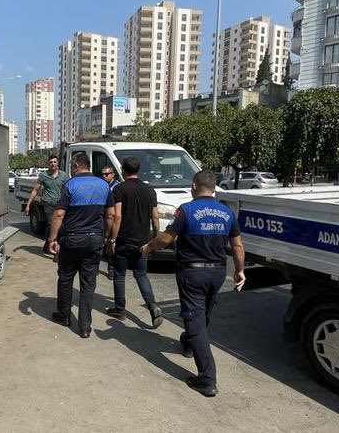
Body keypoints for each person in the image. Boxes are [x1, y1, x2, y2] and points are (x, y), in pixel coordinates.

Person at [141, 170, 246, 397]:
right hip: (218, 273)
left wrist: (148, 247)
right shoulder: (227, 212)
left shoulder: (187, 210)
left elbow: (168, 238)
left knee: (196, 322)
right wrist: (240, 271)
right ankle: (188, 343)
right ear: (214, 188)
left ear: (194, 186)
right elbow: (237, 246)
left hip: (193, 274)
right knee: (202, 315)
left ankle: (207, 379)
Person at [48, 152, 114, 339]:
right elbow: (111, 215)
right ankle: (84, 327)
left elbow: (59, 214)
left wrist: (52, 239)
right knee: (88, 284)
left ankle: (64, 316)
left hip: (72, 240)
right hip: (94, 240)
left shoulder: (70, 185)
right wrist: (107, 236)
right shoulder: (104, 185)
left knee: (66, 278)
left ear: (76, 166)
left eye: (71, 166)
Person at [105, 157, 163, 328]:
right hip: (143, 241)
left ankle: (119, 309)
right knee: (141, 274)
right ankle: (152, 305)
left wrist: (112, 239)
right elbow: (155, 216)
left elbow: (117, 216)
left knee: (119, 274)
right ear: (138, 170)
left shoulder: (119, 189)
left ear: (123, 170)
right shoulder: (150, 190)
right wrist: (155, 239)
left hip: (123, 240)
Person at [25, 155, 69, 254]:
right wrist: (28, 205)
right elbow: (35, 190)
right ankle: (57, 252)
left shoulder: (64, 175)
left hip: (60, 204)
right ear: (48, 164)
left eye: (54, 162)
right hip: (48, 203)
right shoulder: (43, 175)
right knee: (54, 225)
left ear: (58, 163)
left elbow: (68, 190)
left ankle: (46, 246)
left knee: (54, 227)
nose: (53, 164)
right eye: (51, 162)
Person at [100, 165, 119, 280]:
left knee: (111, 243)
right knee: (99, 243)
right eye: (102, 174)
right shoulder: (101, 186)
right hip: (101, 218)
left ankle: (111, 269)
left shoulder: (117, 187)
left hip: (113, 218)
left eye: (106, 174)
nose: (104, 176)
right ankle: (95, 266)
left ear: (113, 175)